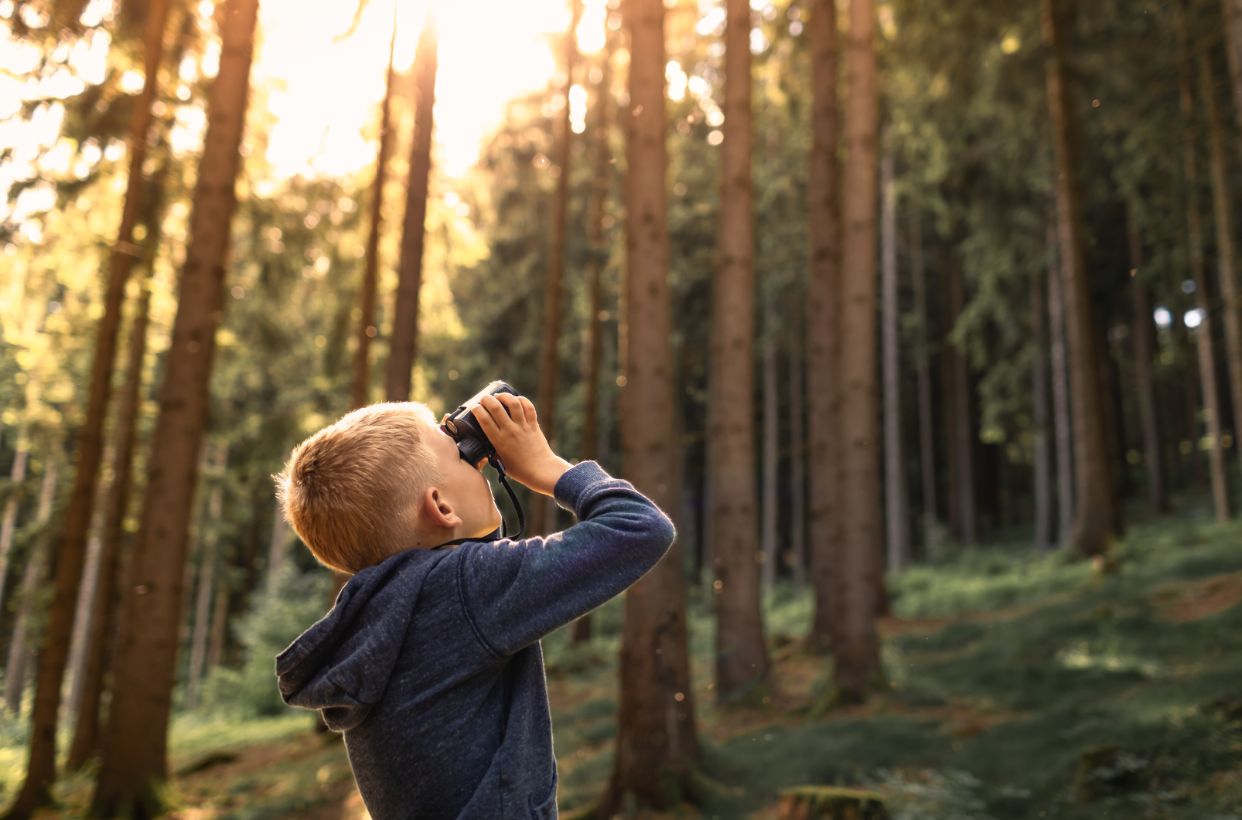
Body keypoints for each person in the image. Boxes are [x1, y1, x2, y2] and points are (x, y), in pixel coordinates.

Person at [272, 392, 675, 819]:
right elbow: (641, 528)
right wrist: (547, 467)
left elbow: (468, 554)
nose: (479, 462)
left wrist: (461, 481)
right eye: (462, 455)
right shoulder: (464, 589)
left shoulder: (381, 614)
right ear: (441, 507)